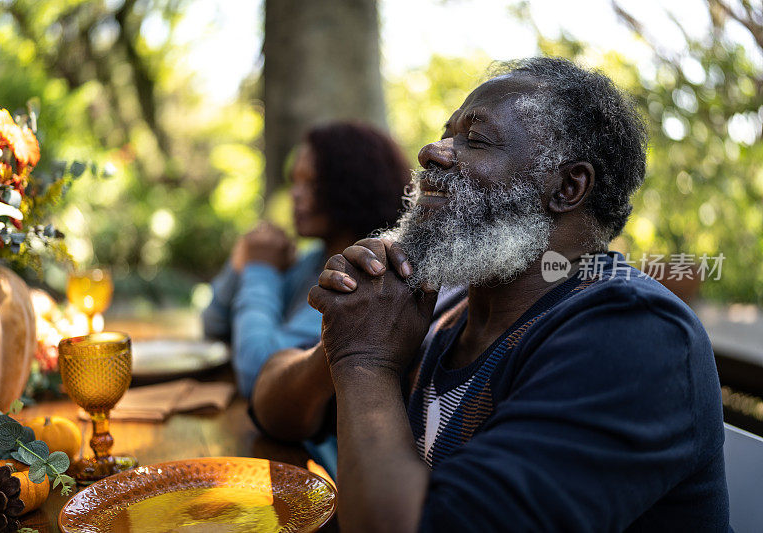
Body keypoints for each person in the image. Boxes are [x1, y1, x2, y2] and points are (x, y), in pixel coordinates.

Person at [252, 57, 729, 531]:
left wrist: (364, 364)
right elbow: (273, 412)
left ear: (568, 186)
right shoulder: (445, 308)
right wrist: (342, 341)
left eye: (475, 140)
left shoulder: (636, 335)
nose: (431, 152)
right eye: (446, 133)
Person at [202, 122, 410, 397]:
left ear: (354, 184)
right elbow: (215, 326)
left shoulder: (363, 278)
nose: (295, 194)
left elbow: (257, 374)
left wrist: (260, 270)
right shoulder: (312, 261)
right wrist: (242, 260)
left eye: (311, 183)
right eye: (294, 181)